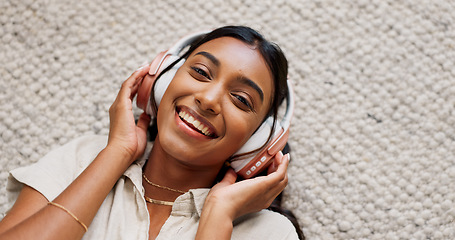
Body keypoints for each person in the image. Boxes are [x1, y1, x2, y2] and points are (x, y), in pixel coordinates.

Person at [0, 26, 303, 239]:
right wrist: (116, 154)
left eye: (241, 100)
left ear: (260, 142)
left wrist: (218, 218)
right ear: (160, 81)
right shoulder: (84, 158)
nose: (208, 100)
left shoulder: (270, 233)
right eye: (200, 72)